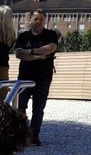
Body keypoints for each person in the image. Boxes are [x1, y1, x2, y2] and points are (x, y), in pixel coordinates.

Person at [13, 10, 61, 147]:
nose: (38, 22)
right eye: (36, 19)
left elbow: (50, 48)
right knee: (20, 107)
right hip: (24, 78)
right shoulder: (23, 36)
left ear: (44, 20)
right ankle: (22, 135)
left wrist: (30, 52)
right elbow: (19, 54)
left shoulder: (50, 35)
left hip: (43, 78)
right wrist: (38, 56)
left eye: (41, 19)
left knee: (38, 109)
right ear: (31, 20)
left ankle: (34, 135)